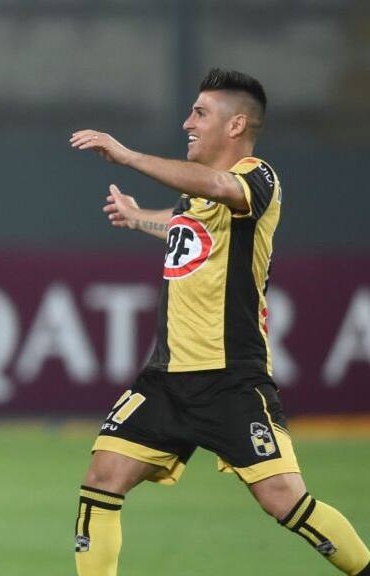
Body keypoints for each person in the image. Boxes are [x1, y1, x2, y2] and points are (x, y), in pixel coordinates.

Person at [69, 67, 370, 576]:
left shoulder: (258, 178)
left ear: (235, 126)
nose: (188, 122)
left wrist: (128, 156)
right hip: (165, 378)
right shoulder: (200, 196)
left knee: (285, 501)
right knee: (101, 479)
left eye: (200, 113)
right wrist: (138, 216)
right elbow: (186, 224)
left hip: (230, 378)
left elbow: (217, 185)